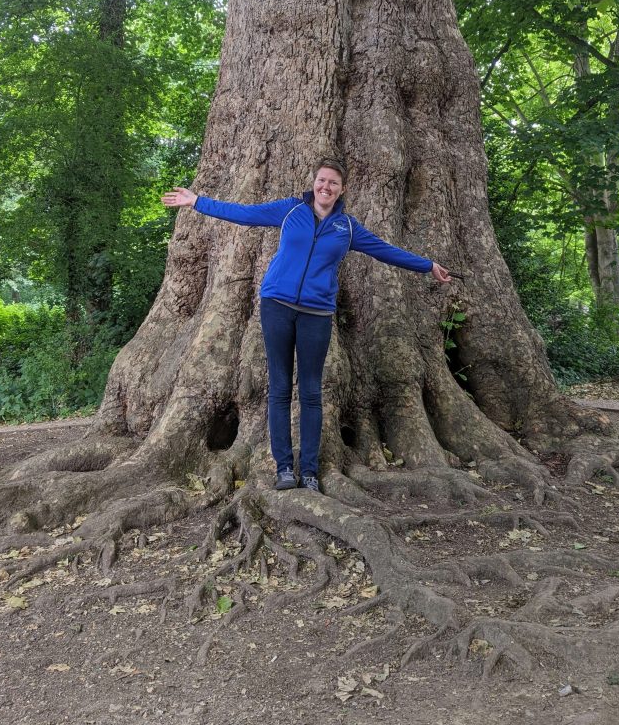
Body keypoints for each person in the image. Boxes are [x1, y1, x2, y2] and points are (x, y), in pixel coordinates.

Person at [162, 159, 451, 494]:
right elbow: (245, 213)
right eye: (322, 181)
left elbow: (385, 251)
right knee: (280, 389)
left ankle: (310, 471)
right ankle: (284, 468)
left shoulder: (348, 228)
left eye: (333, 183)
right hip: (277, 308)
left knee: (312, 393)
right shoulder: (289, 210)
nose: (325, 187)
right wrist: (197, 201)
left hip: (317, 314)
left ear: (342, 190)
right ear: (314, 183)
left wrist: (427, 265)